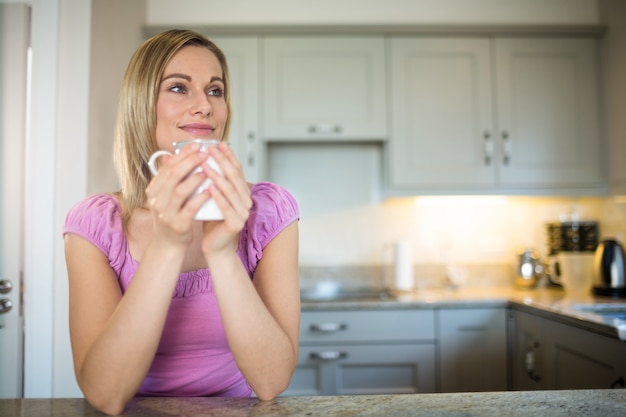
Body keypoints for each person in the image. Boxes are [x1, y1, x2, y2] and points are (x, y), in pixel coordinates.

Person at [63, 29, 300, 416]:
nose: (205, 106)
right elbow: (105, 394)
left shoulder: (269, 211)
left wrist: (222, 252)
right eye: (178, 88)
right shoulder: (94, 224)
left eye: (215, 90)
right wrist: (168, 246)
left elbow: (272, 382)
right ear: (141, 104)